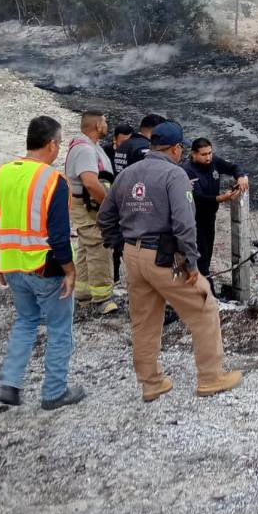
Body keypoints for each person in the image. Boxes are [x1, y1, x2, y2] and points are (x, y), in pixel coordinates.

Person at [97, 121, 242, 402]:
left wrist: (121, 244)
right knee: (204, 307)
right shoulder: (174, 176)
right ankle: (211, 378)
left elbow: (104, 218)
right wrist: (191, 264)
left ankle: (151, 383)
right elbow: (185, 224)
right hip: (163, 258)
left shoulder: (127, 174)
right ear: (176, 149)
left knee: (144, 321)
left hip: (133, 256)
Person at [0, 116, 85, 410]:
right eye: (59, 143)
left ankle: (10, 384)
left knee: (26, 322)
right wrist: (69, 270)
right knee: (59, 329)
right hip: (45, 267)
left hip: (12, 266)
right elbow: (60, 235)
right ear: (52, 144)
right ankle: (54, 392)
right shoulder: (53, 181)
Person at [64, 111, 117, 315]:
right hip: (90, 207)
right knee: (99, 247)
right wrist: (108, 205)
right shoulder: (86, 150)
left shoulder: (88, 146)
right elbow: (90, 182)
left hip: (88, 206)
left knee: (86, 248)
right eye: (104, 121)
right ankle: (103, 299)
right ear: (97, 125)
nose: (106, 124)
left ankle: (83, 293)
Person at [183, 138, 249, 287]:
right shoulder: (186, 170)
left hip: (210, 216)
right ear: (193, 154)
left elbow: (233, 166)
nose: (208, 157)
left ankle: (203, 284)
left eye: (210, 153)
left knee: (207, 252)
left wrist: (241, 176)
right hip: (194, 218)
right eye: (203, 154)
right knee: (200, 255)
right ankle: (206, 290)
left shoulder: (213, 162)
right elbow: (197, 198)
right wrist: (221, 198)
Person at [102, 123, 133, 283]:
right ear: (114, 139)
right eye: (122, 143)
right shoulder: (105, 151)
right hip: (111, 199)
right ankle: (113, 276)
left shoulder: (132, 152)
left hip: (128, 200)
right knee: (113, 238)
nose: (125, 146)